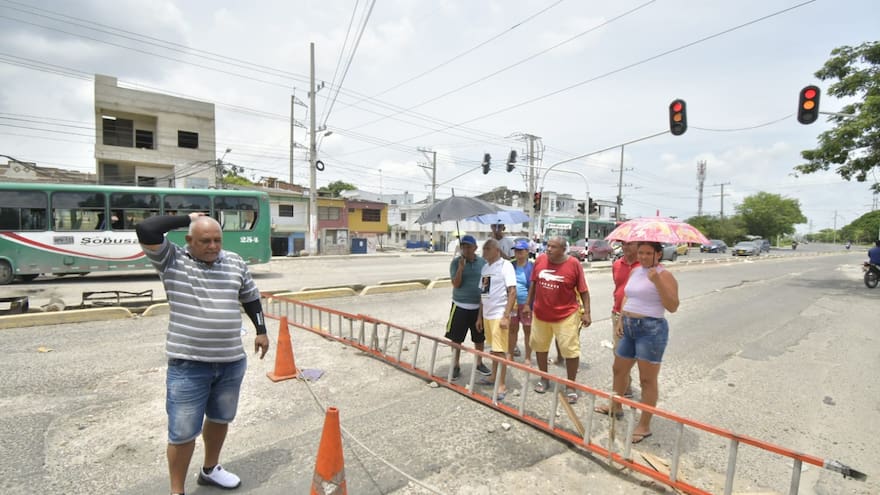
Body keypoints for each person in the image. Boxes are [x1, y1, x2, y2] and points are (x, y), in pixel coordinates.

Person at [136, 213, 270, 495]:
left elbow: (250, 296)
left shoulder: (234, 261)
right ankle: (177, 491)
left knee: (221, 419)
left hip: (231, 361)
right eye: (205, 241)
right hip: (189, 365)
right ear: (189, 241)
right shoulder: (172, 259)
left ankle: (210, 470)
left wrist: (261, 330)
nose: (212, 246)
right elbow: (146, 228)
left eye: (217, 240)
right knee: (183, 433)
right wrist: (188, 217)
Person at [598, 241, 679, 444]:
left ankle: (644, 425)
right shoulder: (636, 272)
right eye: (640, 252)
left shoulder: (664, 275)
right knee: (619, 369)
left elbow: (673, 306)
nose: (642, 256)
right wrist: (622, 318)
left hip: (650, 330)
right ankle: (616, 406)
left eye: (648, 253)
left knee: (647, 380)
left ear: (658, 255)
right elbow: (627, 295)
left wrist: (658, 281)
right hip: (629, 326)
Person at [522, 235, 592, 404]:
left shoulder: (573, 264)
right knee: (539, 346)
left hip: (566, 315)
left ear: (563, 249)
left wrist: (587, 312)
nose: (549, 249)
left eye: (553, 247)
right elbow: (533, 283)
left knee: (570, 350)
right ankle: (544, 378)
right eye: (548, 246)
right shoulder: (540, 260)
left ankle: (570, 385)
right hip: (541, 313)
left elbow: (583, 290)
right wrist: (527, 305)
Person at [476, 238, 517, 400]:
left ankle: (501, 384)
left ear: (496, 250)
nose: (484, 251)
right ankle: (493, 376)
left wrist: (506, 316)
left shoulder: (505, 266)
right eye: (483, 249)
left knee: (500, 351)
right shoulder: (485, 268)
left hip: (499, 314)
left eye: (487, 249)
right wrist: (479, 316)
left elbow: (512, 292)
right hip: (487, 314)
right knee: (494, 349)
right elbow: (483, 293)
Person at [446, 234, 491, 379]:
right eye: (463, 246)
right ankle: (455, 365)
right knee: (456, 338)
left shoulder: (483, 263)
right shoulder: (455, 263)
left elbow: (486, 286)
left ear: (475, 248)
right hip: (460, 305)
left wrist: (484, 305)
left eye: (468, 246)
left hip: (477, 307)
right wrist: (460, 269)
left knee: (479, 338)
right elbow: (456, 284)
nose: (465, 249)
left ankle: (479, 363)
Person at [600, 240, 639, 402]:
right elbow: (619, 288)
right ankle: (625, 388)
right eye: (623, 243)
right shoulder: (617, 264)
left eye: (630, 244)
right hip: (617, 314)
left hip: (636, 317)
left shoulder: (643, 267)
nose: (626, 246)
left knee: (629, 356)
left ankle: (622, 392)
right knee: (619, 354)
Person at [510, 239, 534, 365]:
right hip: (512, 305)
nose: (518, 253)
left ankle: (528, 357)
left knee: (527, 330)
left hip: (525, 304)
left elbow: (533, 287)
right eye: (516, 251)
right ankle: (510, 355)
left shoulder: (531, 266)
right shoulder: (510, 265)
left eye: (520, 251)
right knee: (512, 329)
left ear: (527, 252)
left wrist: (528, 305)